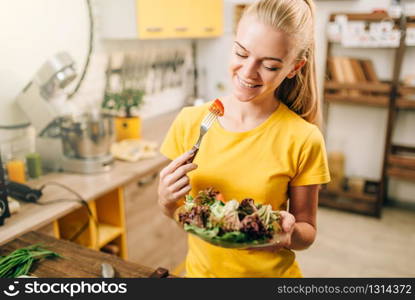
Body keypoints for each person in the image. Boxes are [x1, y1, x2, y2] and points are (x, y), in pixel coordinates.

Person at [158, 0, 330, 278]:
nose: (248, 72)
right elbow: (185, 218)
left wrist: (288, 233)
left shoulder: (304, 138)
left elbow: (306, 232)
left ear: (294, 68)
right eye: (241, 53)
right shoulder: (192, 122)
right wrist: (166, 202)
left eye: (271, 66)